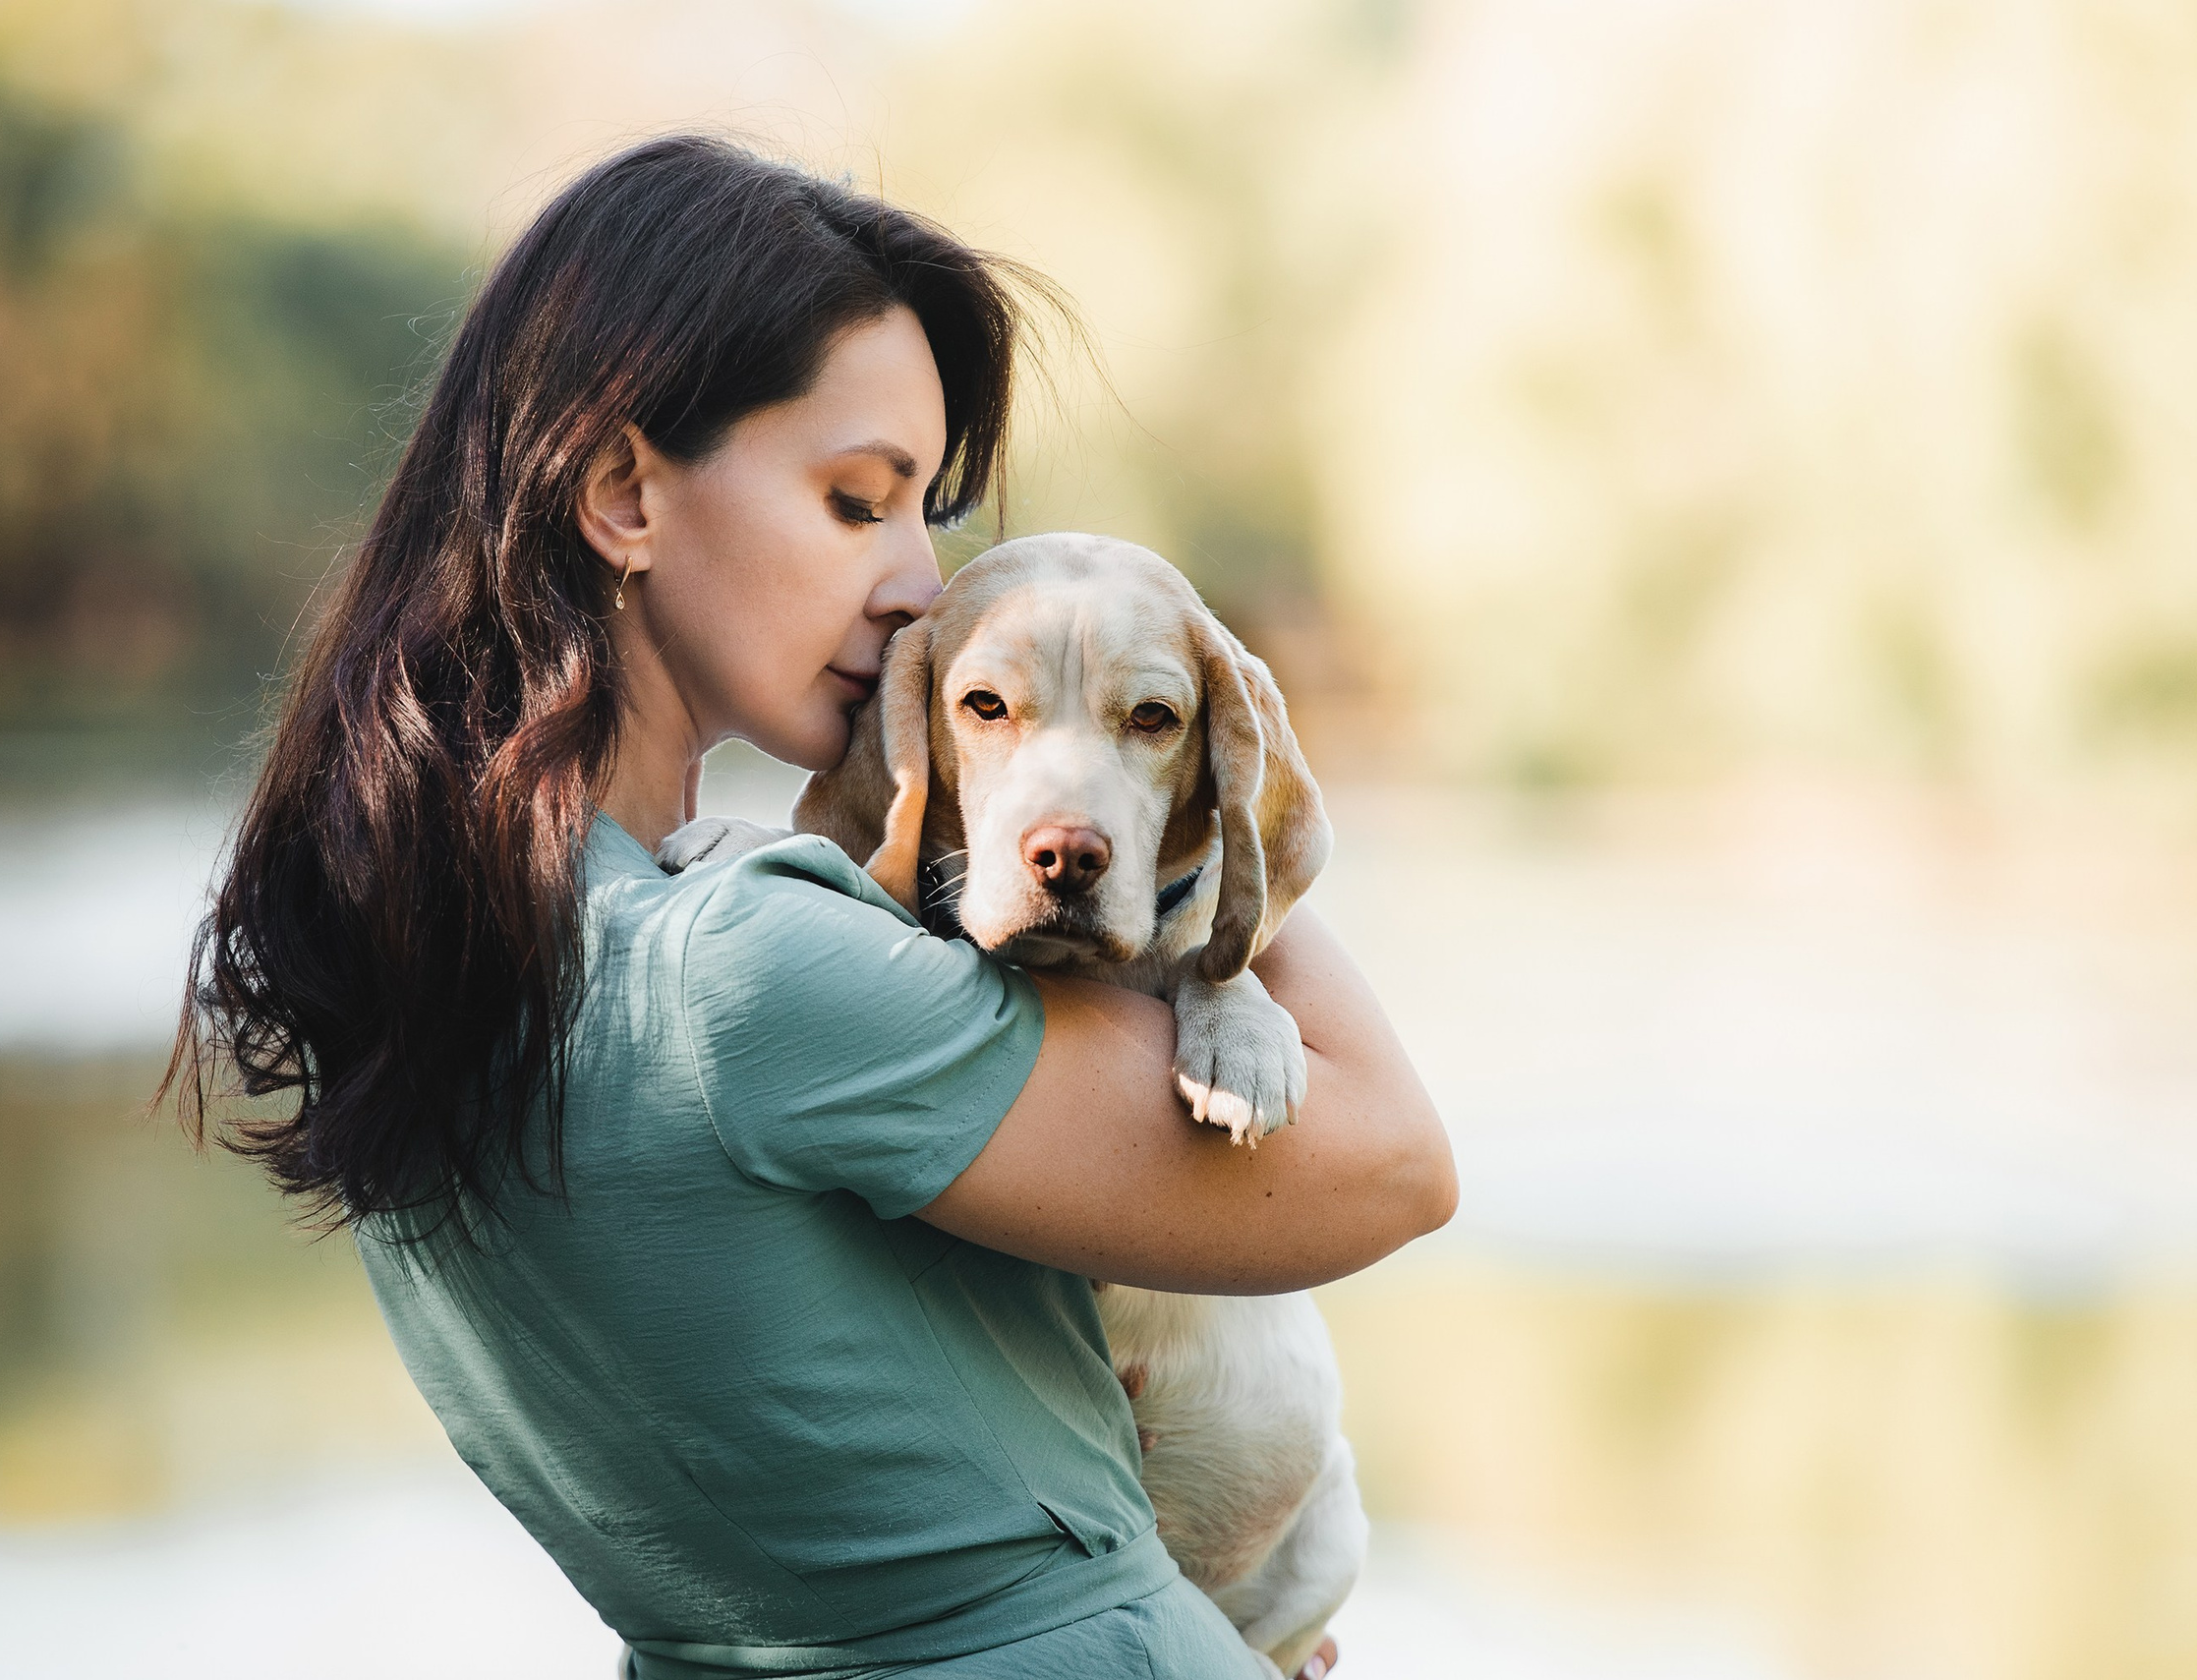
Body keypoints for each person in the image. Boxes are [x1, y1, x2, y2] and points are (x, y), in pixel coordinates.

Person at [168, 134, 1455, 1679]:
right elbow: (1394, 1162)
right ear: (623, 491)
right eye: (862, 503)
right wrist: (1184, 742)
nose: (922, 584)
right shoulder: (748, 971)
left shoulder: (441, 968)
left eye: (935, 512)